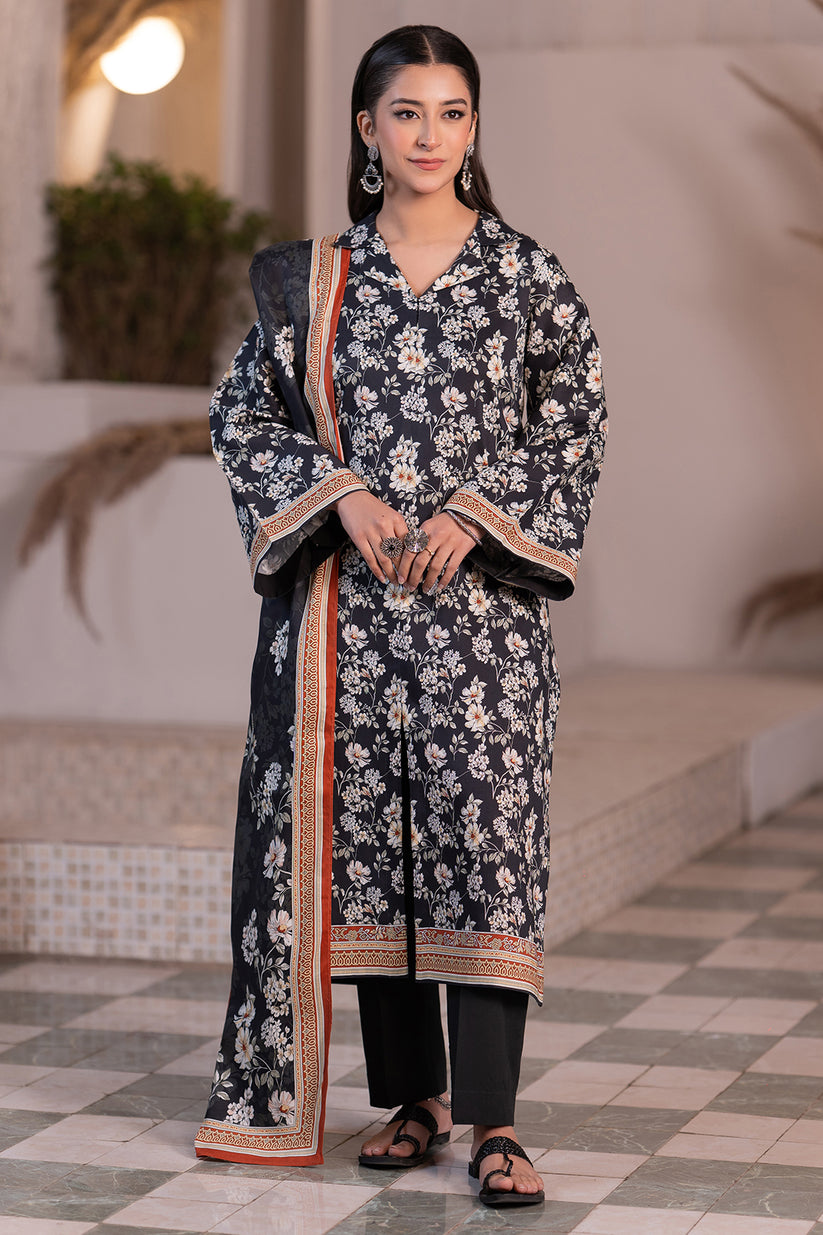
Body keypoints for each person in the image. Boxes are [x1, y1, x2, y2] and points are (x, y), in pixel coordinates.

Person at [195, 24, 607, 1208]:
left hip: (482, 630)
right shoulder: (317, 278)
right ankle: (412, 1099)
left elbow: (573, 424)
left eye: (453, 113)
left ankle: (493, 1119)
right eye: (408, 112)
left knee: (482, 849)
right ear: (368, 130)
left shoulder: (528, 276)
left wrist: (474, 517)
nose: (431, 134)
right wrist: (347, 497)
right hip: (350, 621)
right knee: (371, 850)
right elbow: (242, 415)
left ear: (474, 132)